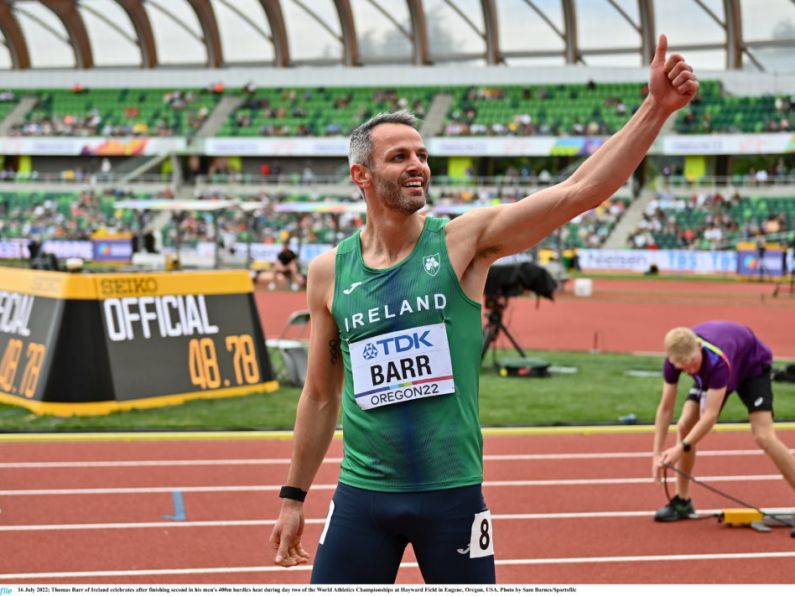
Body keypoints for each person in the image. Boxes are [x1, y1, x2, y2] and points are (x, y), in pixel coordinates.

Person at [270, 34, 699, 583]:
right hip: (362, 495)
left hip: (451, 497)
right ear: (362, 175)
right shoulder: (329, 271)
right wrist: (292, 496)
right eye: (399, 157)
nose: (418, 165)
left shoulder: (461, 242)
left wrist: (655, 108)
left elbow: (579, 192)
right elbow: (320, 394)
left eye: (422, 155)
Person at [651, 322, 795, 522]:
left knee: (764, 436)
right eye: (684, 368)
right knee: (685, 426)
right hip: (717, 372)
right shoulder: (676, 360)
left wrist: (680, 448)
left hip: (751, 365)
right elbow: (666, 408)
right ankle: (682, 502)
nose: (691, 369)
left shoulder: (716, 362)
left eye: (693, 362)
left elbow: (710, 416)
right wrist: (657, 453)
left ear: (699, 348)